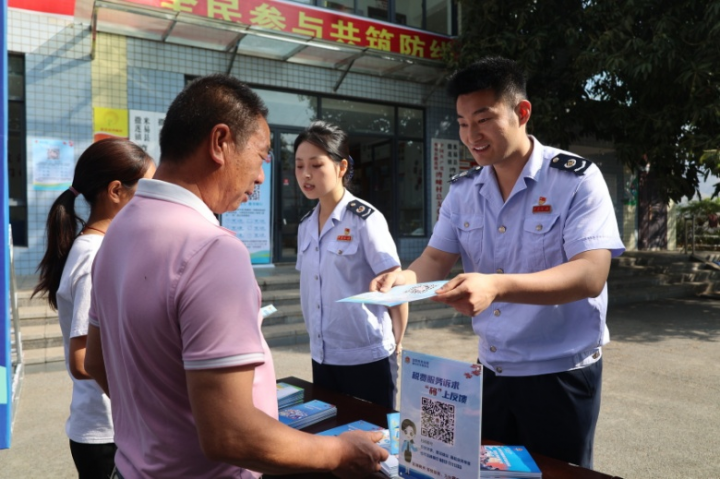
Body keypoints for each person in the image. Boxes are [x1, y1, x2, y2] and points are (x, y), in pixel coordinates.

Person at [83, 74, 387, 479]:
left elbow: (97, 362)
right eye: (262, 155)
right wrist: (337, 452)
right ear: (220, 143)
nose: (262, 177)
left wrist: (161, 425)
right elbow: (232, 436)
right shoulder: (212, 249)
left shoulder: (118, 230)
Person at [371, 57, 625, 468]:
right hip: (491, 373)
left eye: (483, 119)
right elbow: (436, 257)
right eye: (462, 122)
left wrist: (498, 286)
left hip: (559, 375)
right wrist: (403, 278)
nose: (471, 135)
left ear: (522, 112)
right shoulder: (464, 190)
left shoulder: (576, 180)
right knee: (487, 473)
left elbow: (591, 273)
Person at [32, 138, 156, 478]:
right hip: (106, 431)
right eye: (147, 189)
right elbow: (82, 359)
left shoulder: (99, 247)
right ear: (117, 190)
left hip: (109, 427)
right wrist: (142, 391)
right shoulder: (93, 255)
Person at [294, 121, 408, 409]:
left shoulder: (365, 220)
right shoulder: (305, 226)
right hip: (322, 357)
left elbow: (394, 285)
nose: (306, 174)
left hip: (366, 358)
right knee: (330, 438)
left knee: (373, 444)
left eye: (316, 165)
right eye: (299, 166)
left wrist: (397, 343)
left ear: (341, 167)